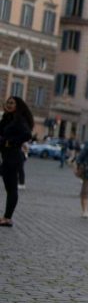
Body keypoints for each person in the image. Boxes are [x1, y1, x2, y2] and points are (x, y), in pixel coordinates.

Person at [0, 96, 34, 227]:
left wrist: (12, 142)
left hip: (14, 156)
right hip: (7, 155)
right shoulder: (8, 118)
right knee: (9, 188)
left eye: (12, 103)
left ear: (17, 105)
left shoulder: (19, 119)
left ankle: (8, 218)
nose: (9, 104)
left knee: (12, 188)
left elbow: (27, 135)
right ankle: (6, 217)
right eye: (8, 102)